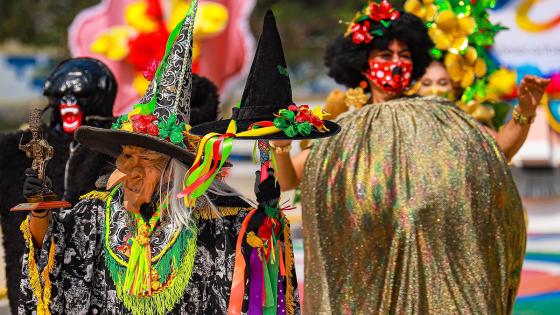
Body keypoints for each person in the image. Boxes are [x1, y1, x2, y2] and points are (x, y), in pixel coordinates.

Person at [17, 2, 298, 314]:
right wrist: (40, 211)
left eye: (146, 157)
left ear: (173, 168)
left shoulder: (215, 223)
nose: (130, 170)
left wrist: (267, 221)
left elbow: (260, 280)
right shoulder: (96, 213)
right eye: (125, 156)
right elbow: (53, 252)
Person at [270, 1, 548, 314]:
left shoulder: (444, 118)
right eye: (385, 56)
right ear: (363, 65)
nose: (397, 63)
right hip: (369, 272)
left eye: (404, 55)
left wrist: (525, 111)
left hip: (436, 271)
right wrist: (280, 148)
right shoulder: (342, 131)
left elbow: (496, 152)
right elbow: (289, 180)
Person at [0, 57, 117, 313]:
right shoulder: (15, 150)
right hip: (32, 292)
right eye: (61, 95)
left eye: (81, 95)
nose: (69, 103)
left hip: (98, 292)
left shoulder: (120, 148)